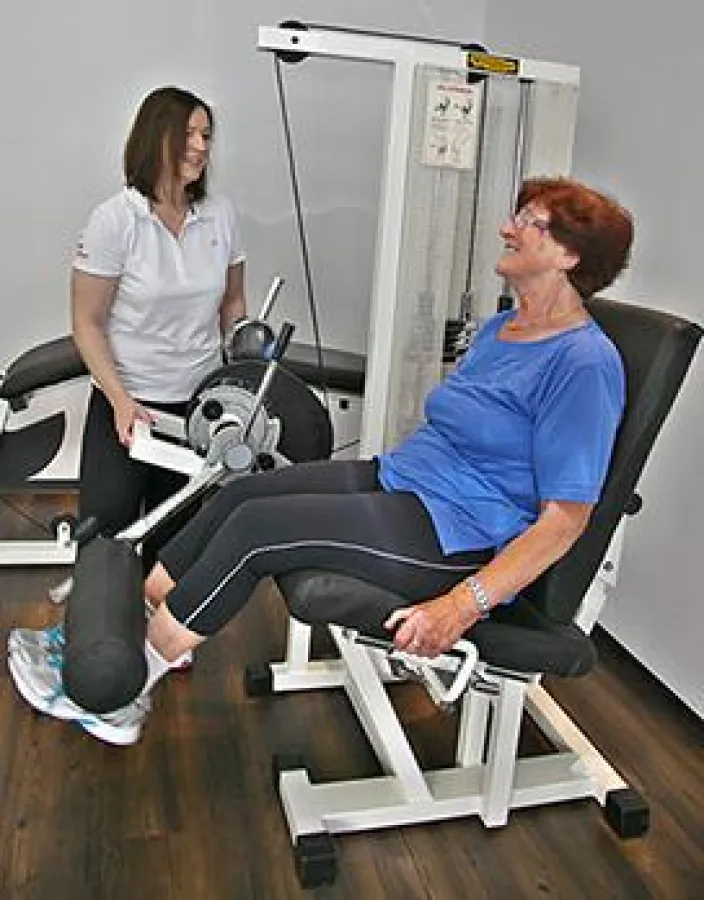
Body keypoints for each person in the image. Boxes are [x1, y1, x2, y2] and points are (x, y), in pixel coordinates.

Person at [7, 176, 633, 746]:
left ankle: (118, 691)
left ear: (570, 256)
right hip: (403, 481)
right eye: (516, 213)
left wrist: (462, 605)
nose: (509, 226)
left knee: (257, 533)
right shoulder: (504, 330)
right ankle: (107, 636)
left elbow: (565, 520)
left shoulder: (584, 364)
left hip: (456, 533)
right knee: (238, 493)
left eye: (532, 221)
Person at [72, 85, 246, 571]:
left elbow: (233, 303)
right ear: (156, 138)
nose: (201, 146)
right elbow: (86, 323)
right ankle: (92, 643)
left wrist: (242, 373)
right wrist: (122, 401)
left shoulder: (221, 215)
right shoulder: (115, 221)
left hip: (197, 410)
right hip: (126, 405)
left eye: (207, 135)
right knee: (106, 541)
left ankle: (160, 647)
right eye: (188, 133)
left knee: (175, 549)